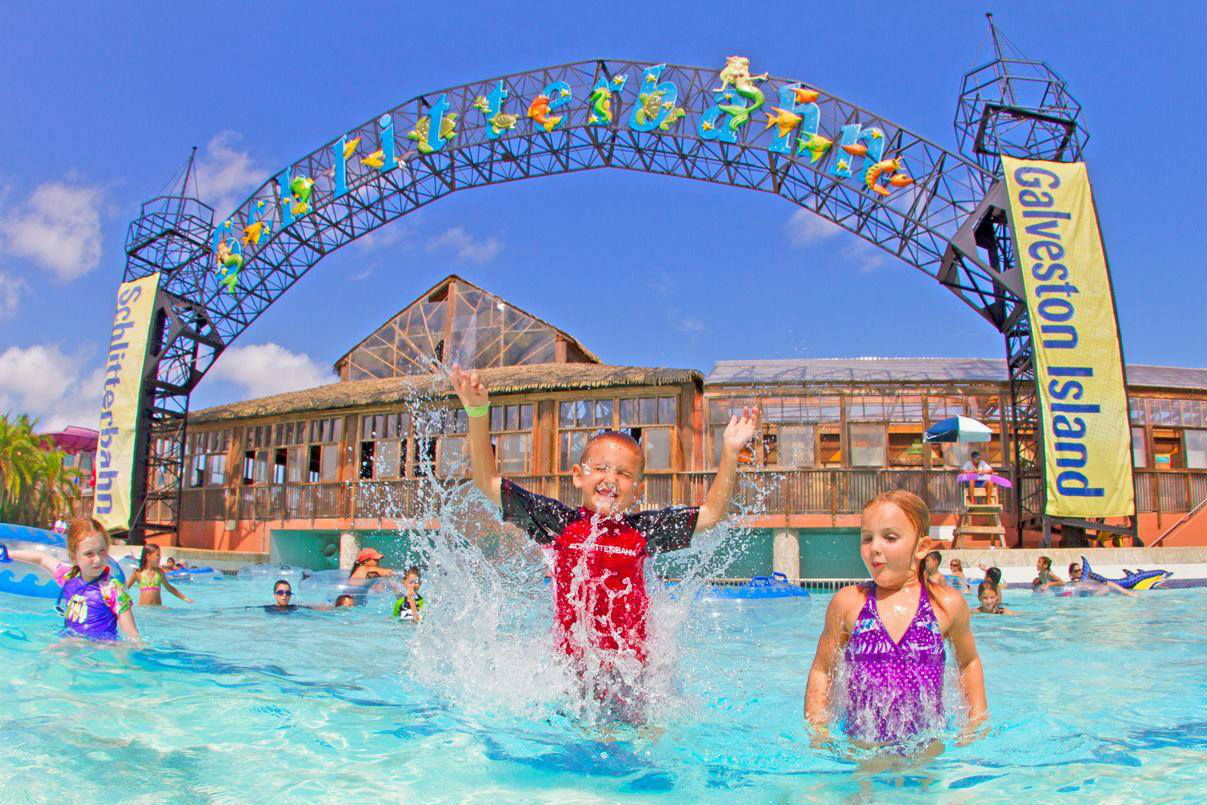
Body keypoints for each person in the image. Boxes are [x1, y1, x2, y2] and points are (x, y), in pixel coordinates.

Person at [449, 363, 760, 672]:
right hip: (573, 676)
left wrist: (730, 453)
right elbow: (488, 483)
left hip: (632, 675)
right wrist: (477, 415)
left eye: (623, 474)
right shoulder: (558, 523)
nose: (610, 479)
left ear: (637, 489)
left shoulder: (643, 531)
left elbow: (712, 514)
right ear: (578, 476)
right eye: (600, 469)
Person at [804, 490, 987, 745]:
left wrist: (976, 720)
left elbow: (968, 663)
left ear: (921, 547)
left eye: (890, 538)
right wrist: (818, 727)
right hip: (862, 744)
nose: (875, 548)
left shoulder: (945, 605)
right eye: (867, 538)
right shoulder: (849, 603)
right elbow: (823, 669)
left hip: (926, 744)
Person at [0, 518, 139, 641]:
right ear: (74, 557)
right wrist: (7, 554)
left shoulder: (113, 589)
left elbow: (132, 636)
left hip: (100, 649)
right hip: (71, 642)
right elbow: (41, 558)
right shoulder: (70, 576)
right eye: (89, 554)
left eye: (102, 551)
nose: (97, 560)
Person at [127, 544, 193, 607]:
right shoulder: (138, 573)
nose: (160, 557)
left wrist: (185, 598)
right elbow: (124, 588)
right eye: (157, 555)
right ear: (148, 556)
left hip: (157, 609)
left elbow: (169, 587)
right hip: (144, 610)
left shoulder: (159, 572)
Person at [1065, 561, 1136, 597]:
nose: (1079, 572)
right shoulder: (1072, 584)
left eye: (1080, 570)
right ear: (1071, 573)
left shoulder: (1083, 580)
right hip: (1092, 596)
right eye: (1076, 571)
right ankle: (1130, 594)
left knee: (1108, 584)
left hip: (1095, 592)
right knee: (1109, 585)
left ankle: (1129, 594)